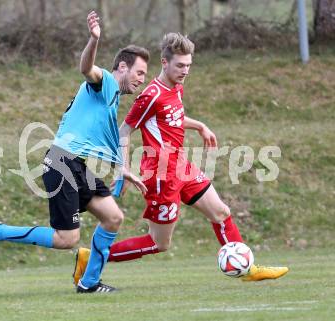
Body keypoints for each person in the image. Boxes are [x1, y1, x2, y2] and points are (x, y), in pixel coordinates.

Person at [73, 32, 288, 284]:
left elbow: (172, 119)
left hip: (182, 167)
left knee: (220, 212)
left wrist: (199, 125)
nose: (185, 71)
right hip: (161, 175)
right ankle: (92, 257)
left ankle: (247, 268)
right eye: (180, 65)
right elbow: (124, 130)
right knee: (159, 243)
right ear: (165, 63)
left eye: (188, 65)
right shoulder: (150, 95)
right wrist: (124, 167)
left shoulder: (176, 87)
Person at [0, 11, 149, 293]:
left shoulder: (111, 99)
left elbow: (101, 137)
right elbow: (86, 68)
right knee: (67, 238)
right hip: (61, 163)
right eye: (139, 72)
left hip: (74, 164)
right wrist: (93, 40)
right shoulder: (106, 82)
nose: (142, 80)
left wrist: (122, 168)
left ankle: (89, 283)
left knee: (113, 217)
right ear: (123, 67)